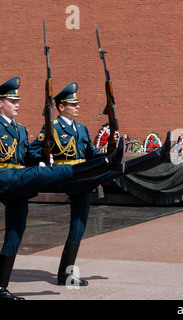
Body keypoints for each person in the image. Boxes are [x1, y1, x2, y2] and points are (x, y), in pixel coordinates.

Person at [0, 77, 171, 299]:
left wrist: (108, 153)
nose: (17, 104)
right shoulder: (51, 126)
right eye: (12, 100)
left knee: (21, 231)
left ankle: (155, 158)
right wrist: (45, 156)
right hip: (19, 176)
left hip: (43, 177)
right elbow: (36, 157)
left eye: (17, 100)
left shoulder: (23, 129)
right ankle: (125, 162)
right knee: (47, 173)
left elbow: (29, 156)